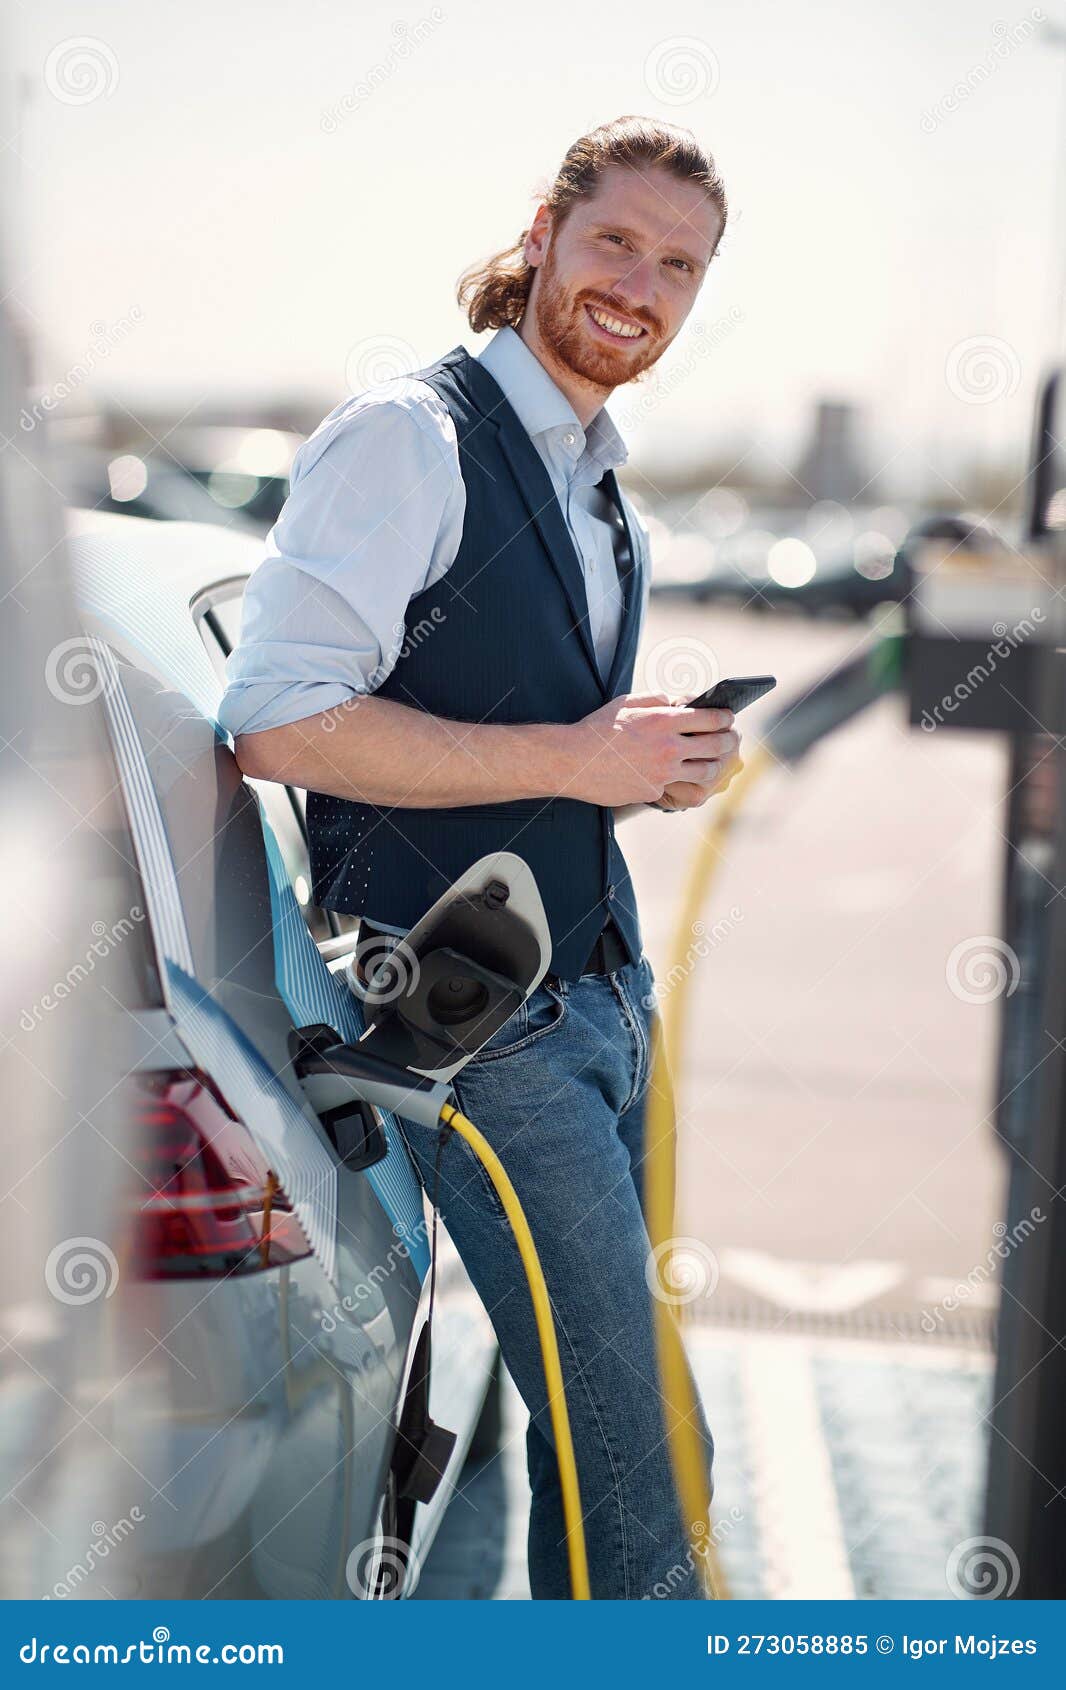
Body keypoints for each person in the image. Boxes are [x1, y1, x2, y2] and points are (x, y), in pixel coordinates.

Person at [219, 115, 740, 1600]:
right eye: (617, 241)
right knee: (647, 1475)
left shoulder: (597, 482)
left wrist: (651, 766)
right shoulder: (411, 436)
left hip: (599, 1003)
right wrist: (574, 759)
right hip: (478, 1032)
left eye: (679, 266)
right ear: (544, 232)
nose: (640, 285)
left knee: (583, 1451)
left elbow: (523, 736)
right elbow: (276, 722)